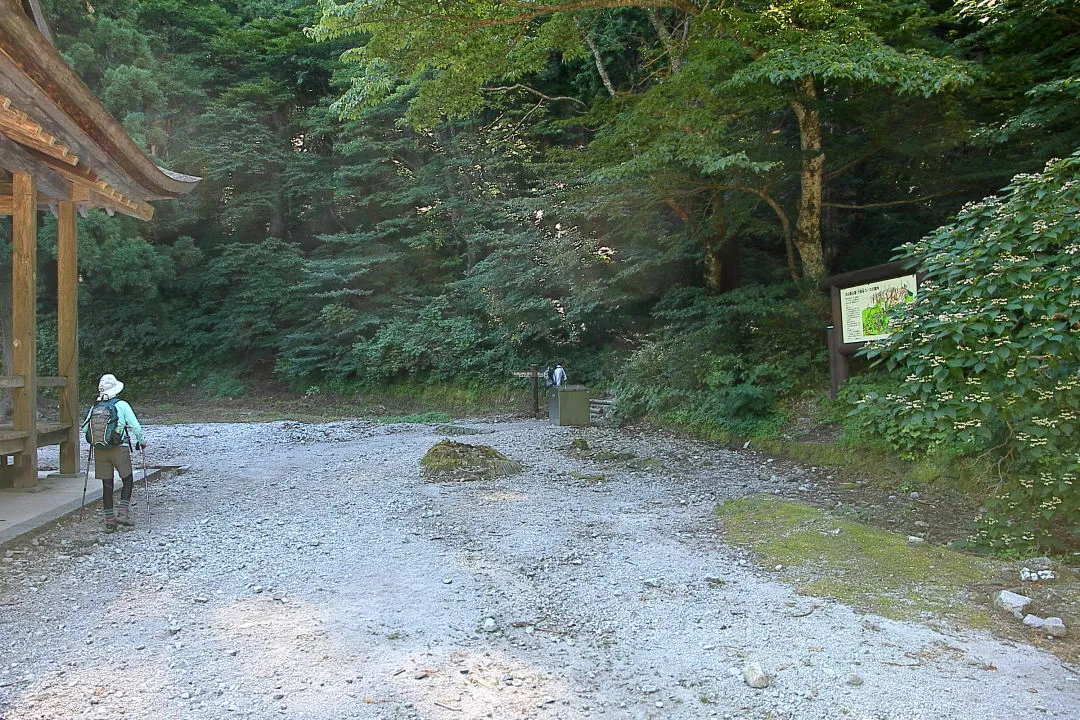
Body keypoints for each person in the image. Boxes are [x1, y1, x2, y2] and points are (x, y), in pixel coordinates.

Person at [81, 374, 147, 533]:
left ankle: (109, 521)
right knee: (128, 479)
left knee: (107, 485)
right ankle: (122, 514)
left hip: (100, 449)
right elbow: (136, 427)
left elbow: (84, 428)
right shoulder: (122, 405)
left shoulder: (95, 407)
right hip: (119, 448)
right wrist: (141, 441)